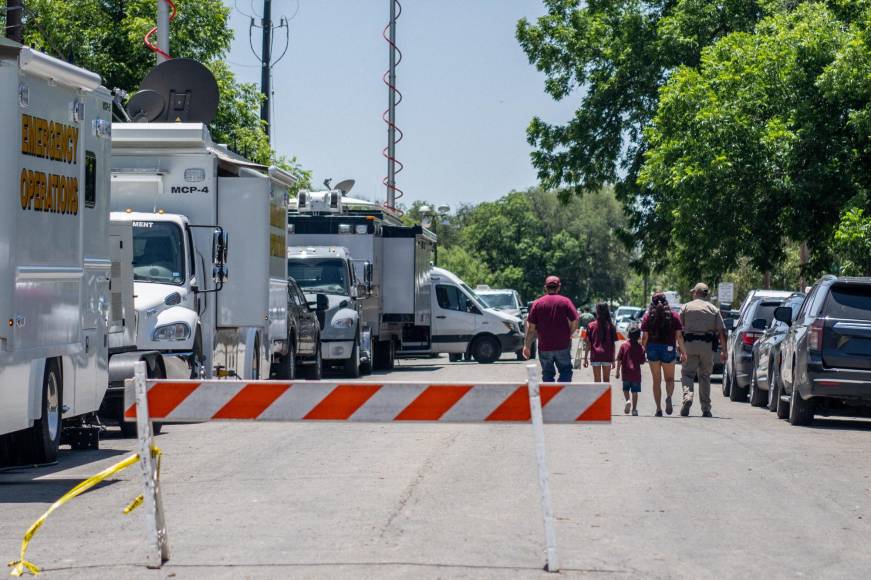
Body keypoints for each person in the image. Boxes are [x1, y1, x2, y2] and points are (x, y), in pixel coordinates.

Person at [679, 283, 728, 417]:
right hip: (707, 346)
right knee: (705, 376)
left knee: (687, 374)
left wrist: (680, 348)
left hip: (690, 345)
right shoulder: (713, 309)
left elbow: (678, 329)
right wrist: (724, 351)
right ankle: (706, 408)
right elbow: (722, 331)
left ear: (696, 293)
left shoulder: (686, 307)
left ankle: (688, 396)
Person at [523, 276, 579, 382]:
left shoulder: (537, 303)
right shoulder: (565, 301)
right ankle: (562, 391)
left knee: (547, 374)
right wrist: (569, 333)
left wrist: (527, 346)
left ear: (545, 287)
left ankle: (550, 392)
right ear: (559, 287)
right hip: (562, 345)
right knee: (566, 371)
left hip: (544, 346)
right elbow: (575, 320)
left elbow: (531, 329)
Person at [640, 292, 687, 416]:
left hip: (652, 349)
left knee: (656, 381)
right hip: (669, 349)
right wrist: (684, 352)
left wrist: (642, 349)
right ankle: (669, 397)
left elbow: (644, 337)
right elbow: (679, 337)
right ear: (666, 302)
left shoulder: (647, 317)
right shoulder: (674, 316)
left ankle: (658, 409)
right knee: (670, 379)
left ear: (652, 303)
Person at [583, 303, 618, 382]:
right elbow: (613, 345)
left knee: (597, 381)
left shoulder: (591, 326)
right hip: (607, 356)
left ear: (597, 311)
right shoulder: (611, 326)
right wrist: (613, 359)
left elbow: (588, 343)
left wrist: (585, 358)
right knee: (606, 380)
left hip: (595, 356)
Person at [615, 323, 645, 416]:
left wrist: (617, 372)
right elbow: (642, 361)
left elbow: (619, 360)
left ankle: (628, 400)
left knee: (626, 389)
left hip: (626, 372)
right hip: (636, 373)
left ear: (628, 335)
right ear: (638, 336)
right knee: (635, 392)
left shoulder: (623, 346)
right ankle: (634, 409)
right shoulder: (640, 347)